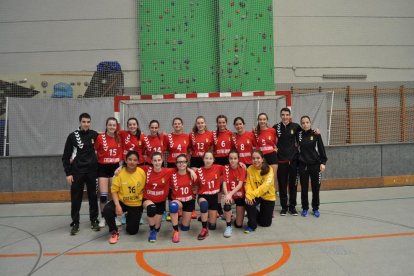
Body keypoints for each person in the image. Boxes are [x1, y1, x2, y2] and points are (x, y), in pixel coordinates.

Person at [62, 113, 100, 235]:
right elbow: (66, 157)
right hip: (77, 172)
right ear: (80, 122)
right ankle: (75, 223)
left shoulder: (95, 134)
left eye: (88, 122)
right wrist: (68, 173)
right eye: (84, 122)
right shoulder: (72, 136)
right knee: (76, 198)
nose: (86, 124)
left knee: (93, 197)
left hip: (92, 172)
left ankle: (94, 220)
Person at [102, 151, 146, 244]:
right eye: (130, 159)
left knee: (132, 231)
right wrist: (117, 206)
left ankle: (129, 216)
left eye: (135, 160)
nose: (132, 162)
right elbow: (114, 190)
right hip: (122, 201)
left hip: (136, 204)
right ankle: (114, 231)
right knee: (107, 210)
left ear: (138, 161)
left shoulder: (142, 172)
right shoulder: (119, 173)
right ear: (125, 160)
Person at [94, 117, 123, 228]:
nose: (112, 127)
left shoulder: (119, 137)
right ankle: (103, 217)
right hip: (102, 168)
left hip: (115, 168)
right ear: (106, 126)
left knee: (113, 195)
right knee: (103, 196)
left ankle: (114, 216)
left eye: (114, 125)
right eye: (110, 125)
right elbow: (95, 150)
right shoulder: (100, 137)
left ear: (116, 127)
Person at [272, 108, 301, 216]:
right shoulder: (276, 127)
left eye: (287, 115)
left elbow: (304, 135)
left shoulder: (296, 127)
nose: (285, 117)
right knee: (282, 185)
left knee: (293, 185)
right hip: (281, 161)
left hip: (293, 161)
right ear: (280, 116)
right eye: (283, 115)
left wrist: (315, 132)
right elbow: (268, 138)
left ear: (290, 116)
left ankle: (292, 207)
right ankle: (284, 207)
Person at [298, 116, 328, 218]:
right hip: (303, 166)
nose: (305, 124)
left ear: (310, 123)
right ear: (301, 124)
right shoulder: (299, 135)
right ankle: (305, 208)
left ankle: (315, 208)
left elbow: (321, 149)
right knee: (304, 188)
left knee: (316, 188)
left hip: (315, 165)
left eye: (307, 122)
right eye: (303, 123)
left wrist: (323, 162)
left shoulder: (316, 134)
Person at [141, 152, 175, 242]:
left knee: (157, 227)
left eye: (159, 160)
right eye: (155, 160)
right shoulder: (146, 169)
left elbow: (181, 168)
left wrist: (190, 170)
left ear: (162, 160)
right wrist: (121, 167)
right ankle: (152, 231)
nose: (157, 162)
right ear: (151, 161)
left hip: (160, 201)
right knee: (151, 209)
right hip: (148, 198)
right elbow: (132, 167)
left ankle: (155, 229)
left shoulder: (167, 171)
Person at [244, 150, 276, 233]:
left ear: (262, 159)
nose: (255, 160)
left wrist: (252, 194)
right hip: (256, 196)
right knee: (248, 202)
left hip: (268, 196)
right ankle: (251, 225)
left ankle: (255, 213)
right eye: (253, 158)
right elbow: (248, 184)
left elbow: (265, 187)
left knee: (265, 223)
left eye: (258, 158)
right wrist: (249, 195)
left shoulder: (269, 169)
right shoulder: (250, 169)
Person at [195, 151, 223, 240]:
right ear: (203, 159)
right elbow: (193, 185)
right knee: (204, 205)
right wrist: (189, 170)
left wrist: (240, 163)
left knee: (212, 226)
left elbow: (230, 168)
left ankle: (204, 216)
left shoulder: (218, 168)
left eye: (210, 158)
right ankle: (204, 229)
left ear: (213, 160)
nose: (208, 160)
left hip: (214, 198)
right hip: (203, 196)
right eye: (206, 158)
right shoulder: (198, 171)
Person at [169, 154, 196, 243]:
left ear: (187, 163)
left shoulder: (192, 174)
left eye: (183, 162)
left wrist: (191, 170)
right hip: (178, 200)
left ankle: (180, 217)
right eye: (179, 162)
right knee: (173, 206)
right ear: (176, 164)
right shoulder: (172, 174)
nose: (181, 164)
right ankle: (176, 230)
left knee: (185, 228)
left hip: (189, 201)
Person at [212, 115, 234, 217]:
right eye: (219, 122)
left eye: (223, 122)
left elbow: (235, 148)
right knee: (219, 184)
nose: (221, 124)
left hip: (228, 160)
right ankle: (218, 205)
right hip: (217, 161)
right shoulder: (214, 134)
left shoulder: (231, 134)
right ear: (217, 123)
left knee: (227, 183)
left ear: (226, 123)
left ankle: (227, 205)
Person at [222, 150, 246, 237]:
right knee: (227, 204)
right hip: (230, 196)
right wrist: (227, 195)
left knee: (239, 225)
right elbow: (224, 183)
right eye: (231, 158)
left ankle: (230, 215)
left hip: (239, 196)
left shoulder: (242, 168)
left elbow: (240, 185)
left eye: (235, 158)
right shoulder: (226, 168)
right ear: (228, 159)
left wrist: (230, 194)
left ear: (238, 159)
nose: (233, 160)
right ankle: (228, 226)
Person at [254, 113, 278, 191]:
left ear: (267, 120)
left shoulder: (272, 130)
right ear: (258, 121)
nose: (262, 121)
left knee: (273, 177)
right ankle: (262, 197)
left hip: (272, 156)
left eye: (264, 119)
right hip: (262, 157)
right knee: (262, 177)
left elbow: (275, 142)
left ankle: (273, 197)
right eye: (260, 119)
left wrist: (275, 148)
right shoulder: (255, 132)